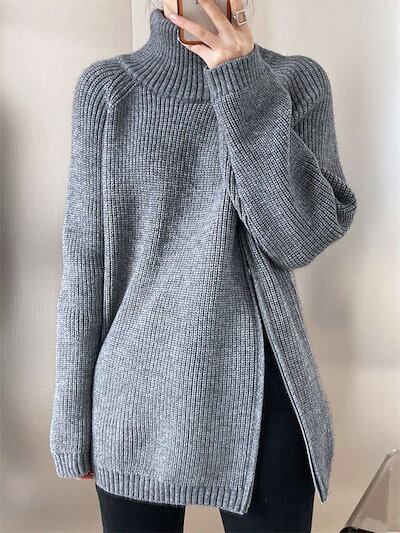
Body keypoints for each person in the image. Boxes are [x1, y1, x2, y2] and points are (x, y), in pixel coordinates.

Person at [49, 0, 357, 531]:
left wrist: (243, 81)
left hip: (263, 395)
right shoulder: (108, 91)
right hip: (135, 397)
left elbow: (299, 240)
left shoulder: (294, 83)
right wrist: (71, 420)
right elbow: (84, 266)